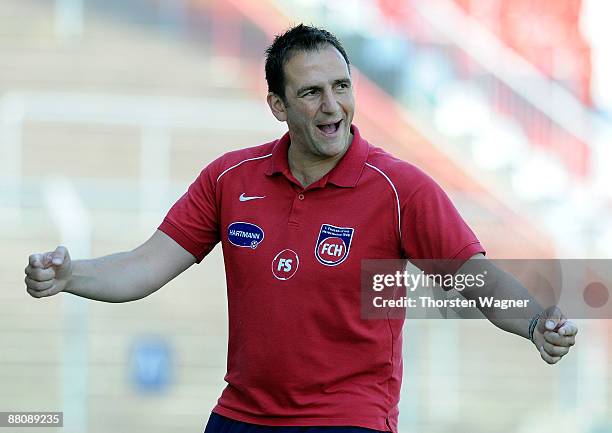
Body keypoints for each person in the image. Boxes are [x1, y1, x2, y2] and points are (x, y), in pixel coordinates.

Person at [24, 24, 578, 433]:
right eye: (311, 92)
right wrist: (71, 275)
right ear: (277, 105)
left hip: (349, 418)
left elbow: (474, 279)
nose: (332, 105)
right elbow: (145, 264)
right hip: (240, 416)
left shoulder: (400, 188)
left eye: (341, 86)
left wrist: (535, 321)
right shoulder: (229, 178)